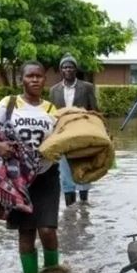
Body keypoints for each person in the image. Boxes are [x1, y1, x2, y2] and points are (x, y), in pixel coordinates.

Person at [0, 60, 62, 273]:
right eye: (30, 76)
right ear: (22, 80)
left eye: (39, 76)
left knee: (47, 229)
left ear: (45, 80)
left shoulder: (51, 109)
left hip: (47, 175)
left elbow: (62, 140)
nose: (35, 80)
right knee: (26, 233)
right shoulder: (9, 104)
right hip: (17, 178)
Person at [49, 53, 98, 206]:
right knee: (65, 173)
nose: (67, 69)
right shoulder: (53, 90)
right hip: (63, 135)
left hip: (83, 134)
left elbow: (95, 111)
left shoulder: (87, 87)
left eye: (70, 67)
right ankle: (70, 209)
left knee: (83, 170)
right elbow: (52, 114)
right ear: (61, 70)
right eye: (64, 67)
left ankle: (84, 207)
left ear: (75, 69)